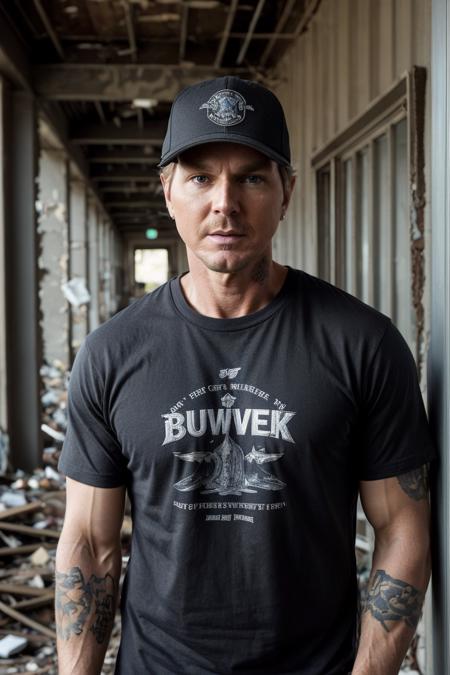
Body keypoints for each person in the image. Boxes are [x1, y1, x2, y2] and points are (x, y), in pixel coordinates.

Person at [56, 76, 435, 675]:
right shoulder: (112, 354)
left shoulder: (362, 343)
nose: (224, 203)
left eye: (252, 177)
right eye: (201, 177)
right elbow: (89, 546)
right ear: (168, 191)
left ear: (287, 190)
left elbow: (403, 529)